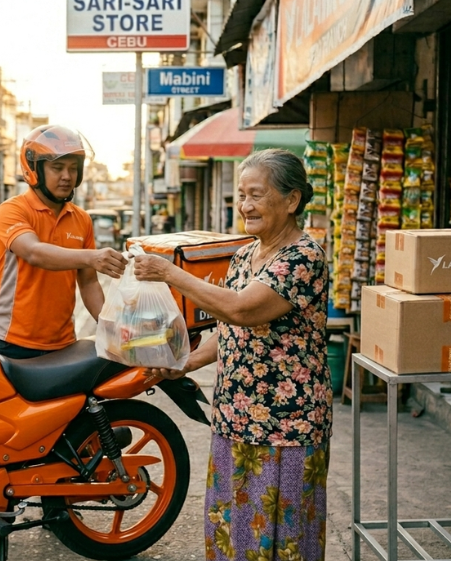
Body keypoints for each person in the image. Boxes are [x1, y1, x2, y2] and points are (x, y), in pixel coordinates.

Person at [133, 149, 332, 561]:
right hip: (235, 421)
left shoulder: (303, 257)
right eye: (241, 195)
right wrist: (182, 363)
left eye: (256, 195)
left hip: (287, 428)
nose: (245, 205)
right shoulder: (244, 255)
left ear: (291, 200)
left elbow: (243, 308)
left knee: (283, 539)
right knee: (235, 534)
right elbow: (229, 328)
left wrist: (170, 272)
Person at [0, 124, 128, 359]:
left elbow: (89, 283)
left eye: (73, 168)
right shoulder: (12, 210)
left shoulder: (81, 219)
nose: (67, 176)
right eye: (57, 168)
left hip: (63, 342)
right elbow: (34, 252)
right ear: (34, 169)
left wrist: (111, 327)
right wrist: (92, 257)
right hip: (11, 341)